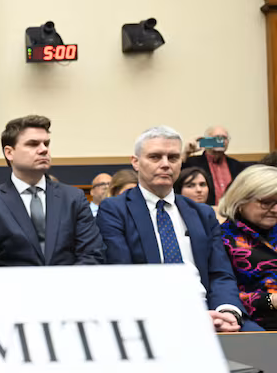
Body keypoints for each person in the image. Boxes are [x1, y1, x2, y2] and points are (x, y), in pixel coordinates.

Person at [95, 126, 261, 332]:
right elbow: (123, 276)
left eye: (173, 157)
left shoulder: (202, 213)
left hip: (210, 311)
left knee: (262, 344)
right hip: (156, 317)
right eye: (155, 157)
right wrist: (190, 317)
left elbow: (220, 274)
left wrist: (227, 311)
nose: (165, 164)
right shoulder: (115, 210)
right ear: (136, 162)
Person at [0, 115, 104, 266]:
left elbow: (91, 254)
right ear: (9, 153)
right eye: (33, 144)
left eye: (46, 144)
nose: (43, 150)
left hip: (69, 287)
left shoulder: (73, 198)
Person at [218, 165, 277, 330]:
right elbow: (221, 293)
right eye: (266, 203)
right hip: (253, 322)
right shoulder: (222, 238)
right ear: (241, 201)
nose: (275, 210)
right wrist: (269, 300)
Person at [182, 126, 244, 205]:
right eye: (216, 138)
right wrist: (186, 153)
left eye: (224, 138)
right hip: (203, 211)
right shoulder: (192, 163)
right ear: (206, 141)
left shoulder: (237, 165)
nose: (220, 141)